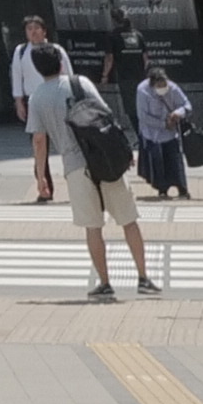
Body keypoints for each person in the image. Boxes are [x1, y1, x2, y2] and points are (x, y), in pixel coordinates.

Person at [65, 44, 153, 299]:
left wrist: (40, 175)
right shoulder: (80, 83)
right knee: (128, 220)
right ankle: (143, 277)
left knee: (93, 227)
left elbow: (38, 139)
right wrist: (124, 152)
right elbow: (107, 115)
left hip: (76, 168)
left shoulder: (38, 96)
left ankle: (105, 282)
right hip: (108, 162)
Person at [9, 15, 80, 203]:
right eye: (29, 28)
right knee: (39, 146)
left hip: (58, 100)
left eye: (36, 28)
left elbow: (69, 75)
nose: (33, 32)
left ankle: (77, 184)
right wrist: (18, 101)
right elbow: (17, 76)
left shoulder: (56, 50)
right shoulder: (21, 51)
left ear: (44, 30)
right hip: (33, 101)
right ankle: (44, 188)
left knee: (69, 145)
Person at [130, 47, 203, 213]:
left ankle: (182, 188)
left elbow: (186, 105)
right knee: (157, 162)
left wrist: (177, 114)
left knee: (175, 160)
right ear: (152, 83)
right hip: (152, 133)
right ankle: (162, 189)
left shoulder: (172, 87)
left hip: (171, 133)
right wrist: (163, 124)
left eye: (165, 84)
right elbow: (143, 116)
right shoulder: (142, 91)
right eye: (159, 85)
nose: (163, 88)